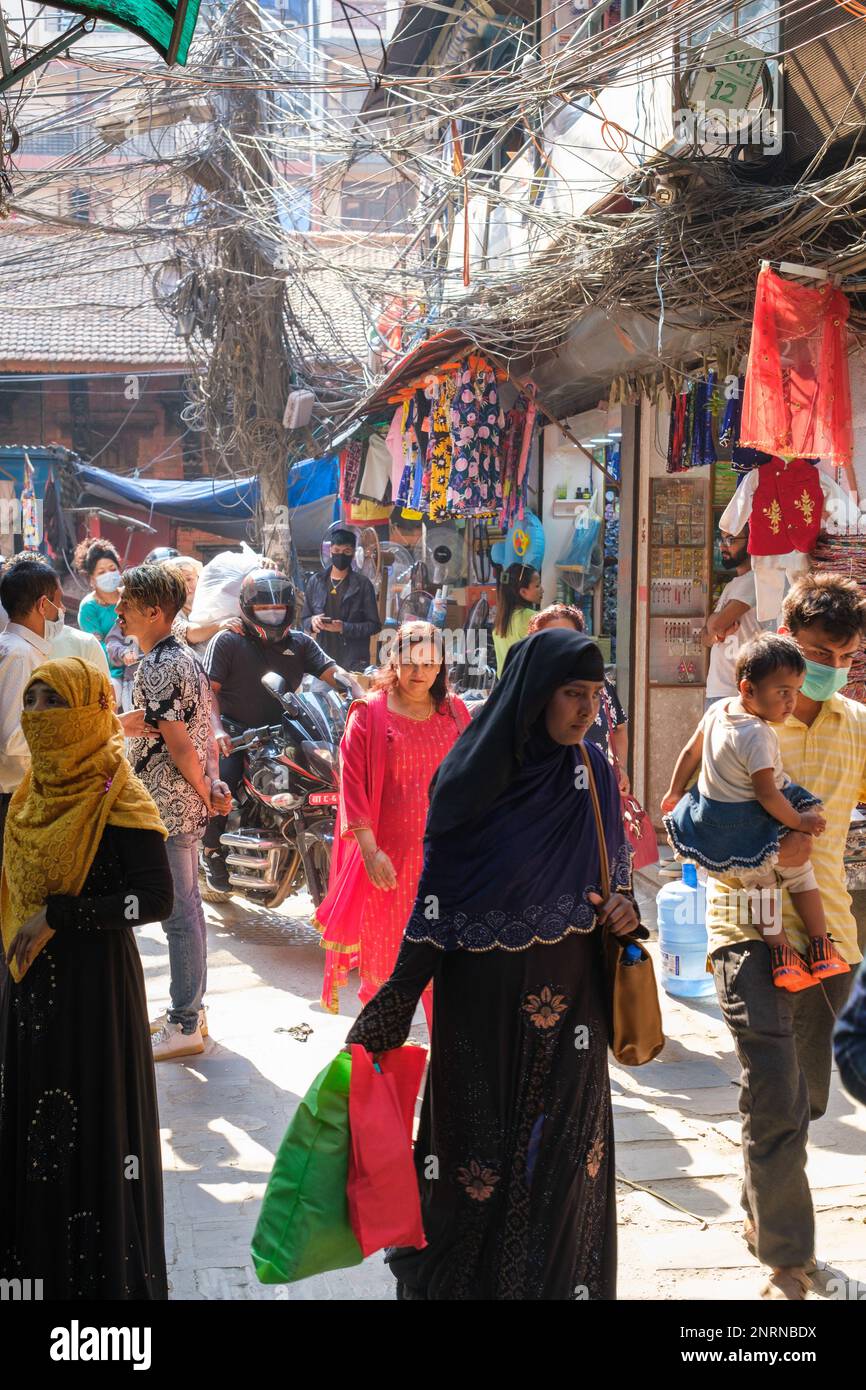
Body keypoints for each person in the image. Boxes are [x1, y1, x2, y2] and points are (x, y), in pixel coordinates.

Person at [345, 628, 640, 1300]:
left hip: (574, 1003)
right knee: (477, 1162)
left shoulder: (592, 770)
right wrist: (396, 998)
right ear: (535, 695)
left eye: (595, 695)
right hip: (481, 1007)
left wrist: (624, 912)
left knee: (567, 1161)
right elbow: (437, 898)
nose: (587, 709)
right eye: (573, 694)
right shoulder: (472, 777)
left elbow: (613, 877)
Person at [701, 572, 865, 1298]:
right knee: (775, 1096)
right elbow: (692, 836)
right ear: (785, 642)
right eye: (820, 650)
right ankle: (788, 1264)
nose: (831, 665)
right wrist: (769, 853)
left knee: (806, 1103)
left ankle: (761, 1214)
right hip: (745, 928)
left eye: (847, 654)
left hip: (832, 938)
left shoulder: (858, 726)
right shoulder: (735, 725)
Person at [0, 658, 172, 1299]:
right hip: (28, 992)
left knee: (93, 1136)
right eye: (33, 701)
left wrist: (61, 917)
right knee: (32, 1138)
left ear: (91, 711)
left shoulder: (118, 796)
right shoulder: (27, 798)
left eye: (55, 702)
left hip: (96, 994)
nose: (39, 714)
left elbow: (156, 901)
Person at [662, 634, 847, 991]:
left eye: (795, 691)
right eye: (782, 692)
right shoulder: (757, 735)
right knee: (799, 875)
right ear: (748, 689)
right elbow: (767, 794)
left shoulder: (718, 710)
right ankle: (820, 945)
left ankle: (781, 955)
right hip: (751, 819)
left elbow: (690, 752)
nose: (791, 702)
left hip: (717, 821)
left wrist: (674, 790)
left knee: (758, 885)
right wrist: (801, 822)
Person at [315, 621, 471, 1022]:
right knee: (386, 972)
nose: (419, 673)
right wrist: (370, 851)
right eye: (410, 661)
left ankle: (447, 1075)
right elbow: (352, 786)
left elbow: (474, 775)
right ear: (395, 660)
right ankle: (377, 1066)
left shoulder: (455, 711)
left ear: (440, 667)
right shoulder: (369, 713)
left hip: (448, 864)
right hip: (390, 863)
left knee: (448, 972)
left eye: (429, 663)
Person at [115, 564, 222, 1061]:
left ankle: (183, 1023)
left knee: (179, 917)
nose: (118, 611)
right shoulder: (180, 652)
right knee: (189, 911)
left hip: (171, 805)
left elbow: (180, 745)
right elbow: (188, 728)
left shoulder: (162, 663)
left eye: (127, 605)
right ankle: (192, 1014)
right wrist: (209, 788)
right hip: (179, 803)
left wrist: (203, 791)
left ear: (154, 612)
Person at [201, 568, 360, 892]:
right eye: (263, 609)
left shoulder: (300, 643)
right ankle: (211, 850)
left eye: (279, 609)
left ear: (290, 610)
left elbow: (335, 673)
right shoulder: (228, 640)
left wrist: (360, 694)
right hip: (237, 734)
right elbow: (208, 693)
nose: (272, 615)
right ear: (248, 608)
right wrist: (218, 731)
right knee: (223, 782)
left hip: (286, 731)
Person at [0, 559, 65, 863]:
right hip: (12, 796)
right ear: (43, 604)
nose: (60, 612)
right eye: (59, 602)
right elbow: (13, 738)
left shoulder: (17, 648)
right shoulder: (20, 654)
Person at [528, 603, 629, 793]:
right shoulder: (527, 690)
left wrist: (620, 768)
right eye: (550, 640)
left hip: (596, 795)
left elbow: (619, 729)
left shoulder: (600, 684)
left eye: (568, 638)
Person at [301, 526, 381, 672]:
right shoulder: (316, 581)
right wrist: (313, 622)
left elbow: (374, 625)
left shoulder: (362, 584)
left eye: (346, 551)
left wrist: (344, 627)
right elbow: (305, 619)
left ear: (353, 554)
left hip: (354, 662)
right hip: (322, 660)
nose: (341, 555)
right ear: (330, 550)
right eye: (337, 551)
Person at [702, 524, 760, 710]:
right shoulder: (732, 585)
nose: (723, 546)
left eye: (731, 540)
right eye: (722, 539)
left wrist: (715, 626)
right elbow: (705, 638)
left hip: (736, 693)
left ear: (751, 541)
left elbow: (716, 625)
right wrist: (716, 633)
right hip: (718, 691)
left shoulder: (754, 581)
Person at [73, 539, 124, 683]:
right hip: (110, 672)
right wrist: (122, 656)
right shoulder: (89, 607)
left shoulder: (130, 596)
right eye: (101, 572)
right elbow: (97, 646)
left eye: (113, 569)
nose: (109, 575)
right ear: (91, 579)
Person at [168, 555, 237, 655]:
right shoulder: (170, 611)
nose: (185, 586)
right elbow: (188, 633)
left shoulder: (215, 600)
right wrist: (219, 626)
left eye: (189, 579)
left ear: (199, 578)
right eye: (179, 582)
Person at [492, 562, 542, 677]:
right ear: (523, 592)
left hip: (506, 688)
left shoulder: (500, 621)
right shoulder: (531, 618)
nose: (542, 590)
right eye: (537, 586)